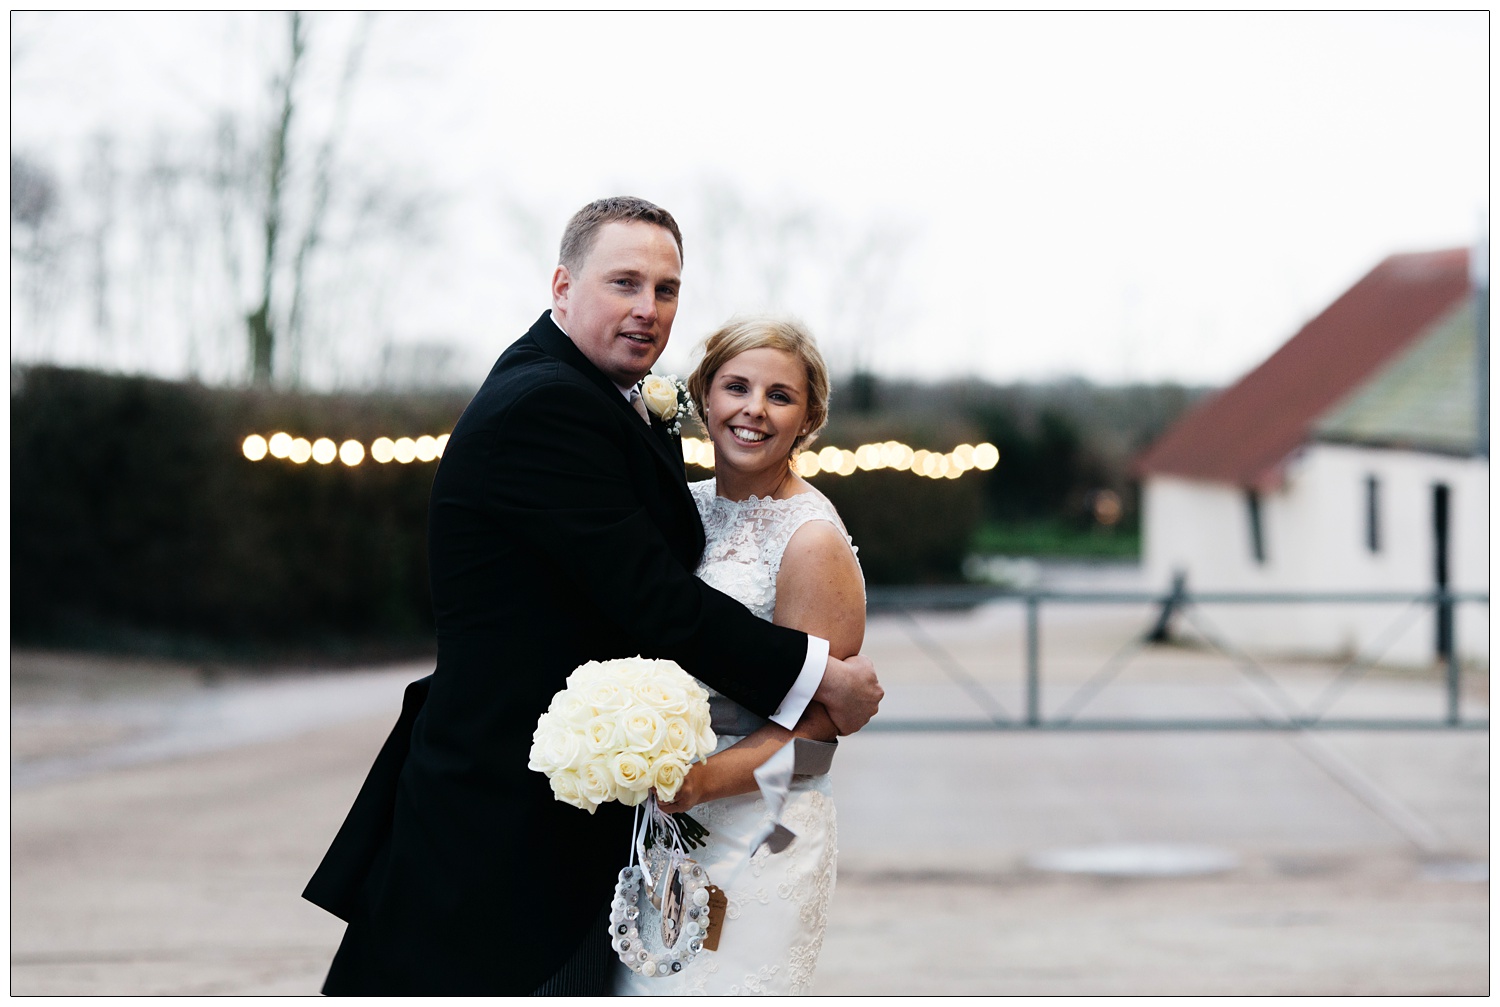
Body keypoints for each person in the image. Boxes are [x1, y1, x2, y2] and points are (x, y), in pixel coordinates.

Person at [301, 197, 883, 996]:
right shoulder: (551, 405)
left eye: (667, 289)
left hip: (640, 820)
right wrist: (819, 673)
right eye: (625, 283)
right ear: (563, 285)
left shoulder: (597, 394)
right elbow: (656, 602)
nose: (648, 309)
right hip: (502, 807)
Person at [613, 317, 862, 996]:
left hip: (761, 831)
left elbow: (816, 734)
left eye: (780, 395)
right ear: (704, 394)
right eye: (737, 386)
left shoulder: (810, 539)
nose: (754, 409)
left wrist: (700, 782)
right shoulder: (679, 507)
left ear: (809, 415)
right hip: (665, 832)